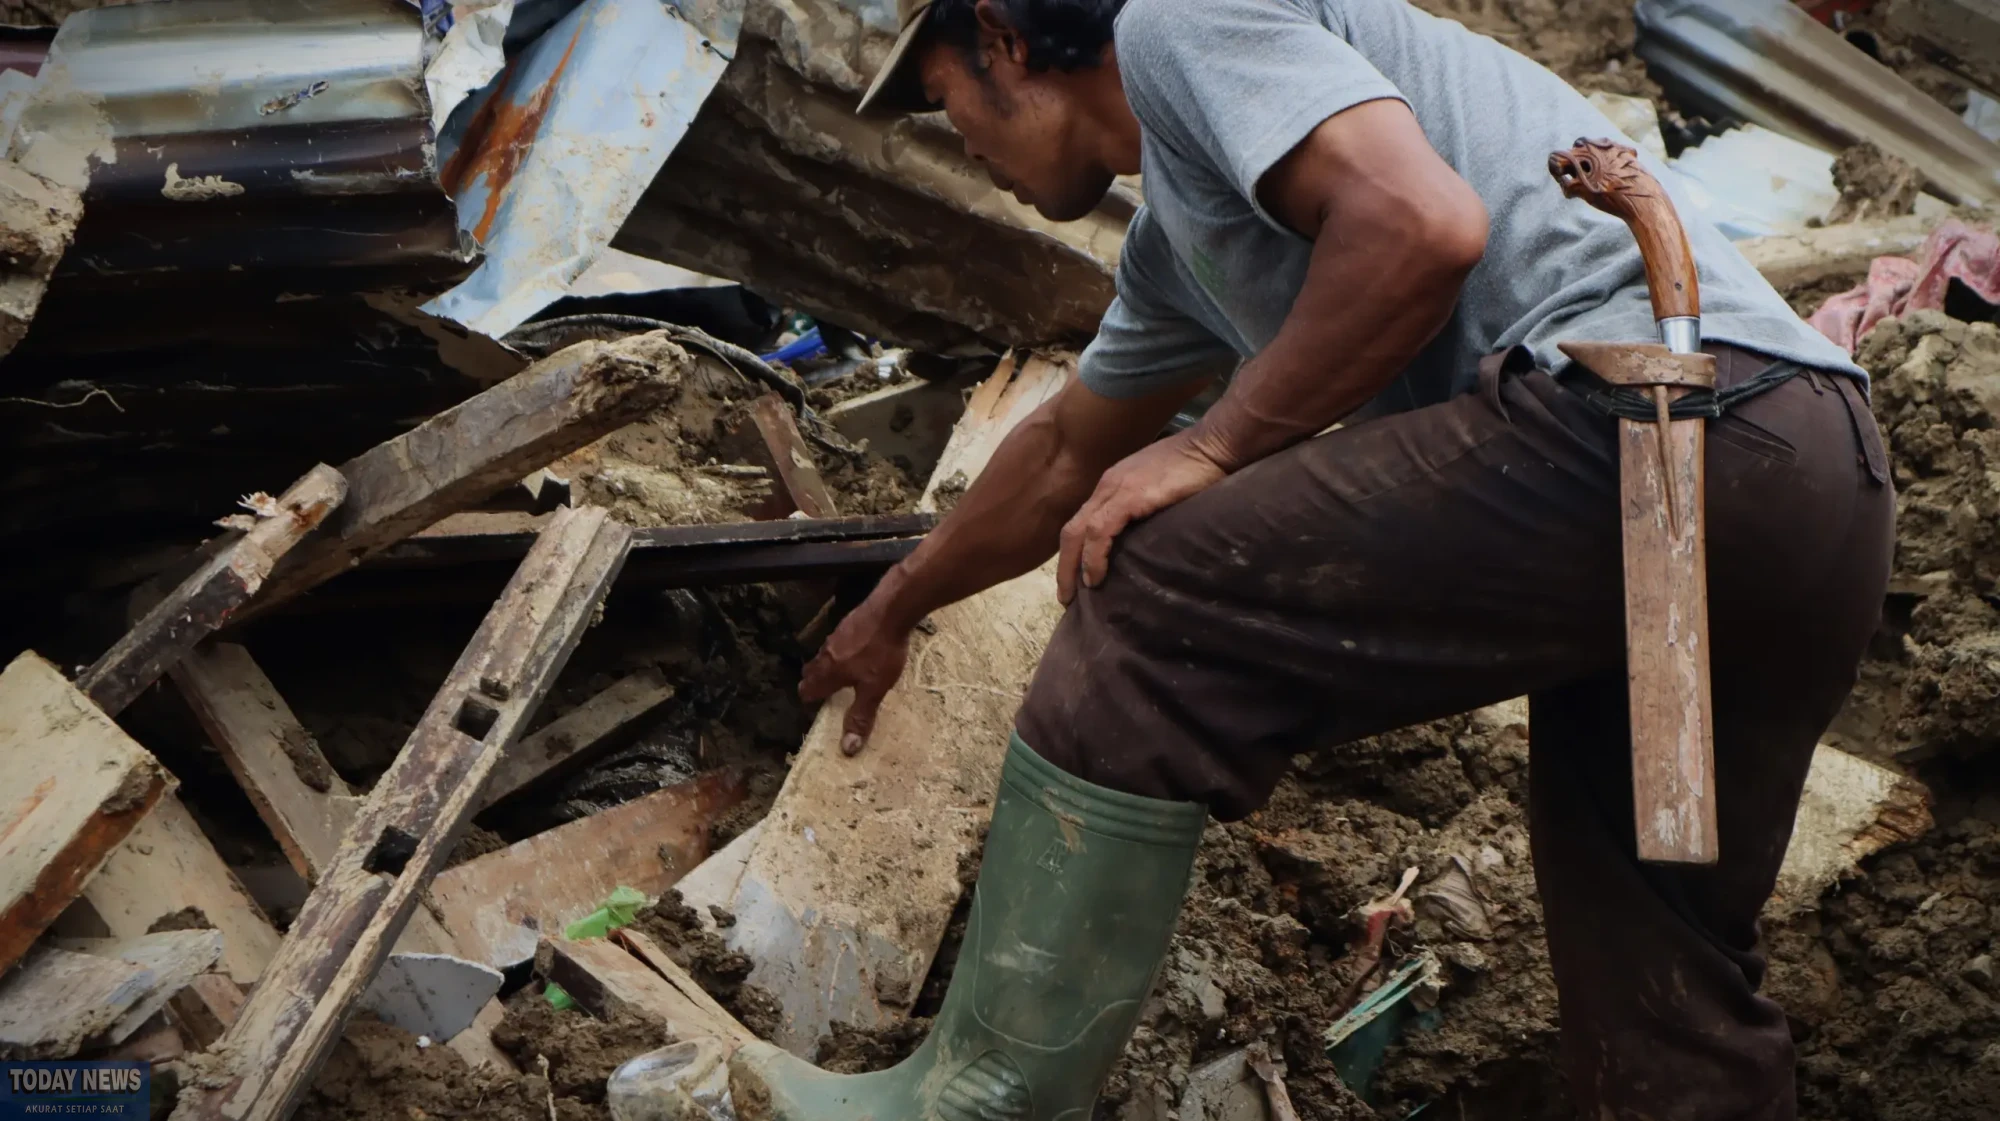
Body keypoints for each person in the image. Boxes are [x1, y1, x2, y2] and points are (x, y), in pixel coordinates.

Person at [717, 1, 1895, 1118]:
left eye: (941, 102)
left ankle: (974, 1096)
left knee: (1156, 595)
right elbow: (1066, 447)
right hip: (1791, 484)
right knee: (1656, 947)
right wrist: (894, 605)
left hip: (1661, 423)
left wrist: (1219, 444)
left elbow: (1421, 226)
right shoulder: (1184, 246)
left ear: (1002, 39)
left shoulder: (1173, 25)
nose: (957, 144)